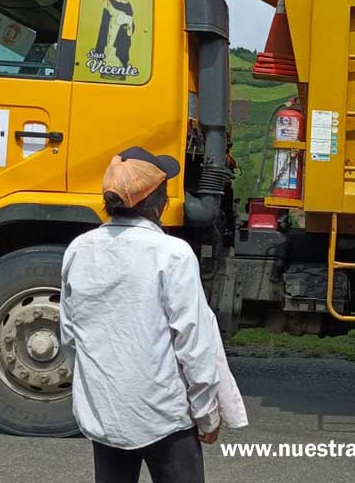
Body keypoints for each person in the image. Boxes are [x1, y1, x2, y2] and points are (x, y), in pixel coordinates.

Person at [60, 147, 230, 483]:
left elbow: (70, 336)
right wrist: (207, 412)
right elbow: (193, 344)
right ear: (159, 205)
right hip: (163, 417)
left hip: (104, 415)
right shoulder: (172, 253)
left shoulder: (80, 249)